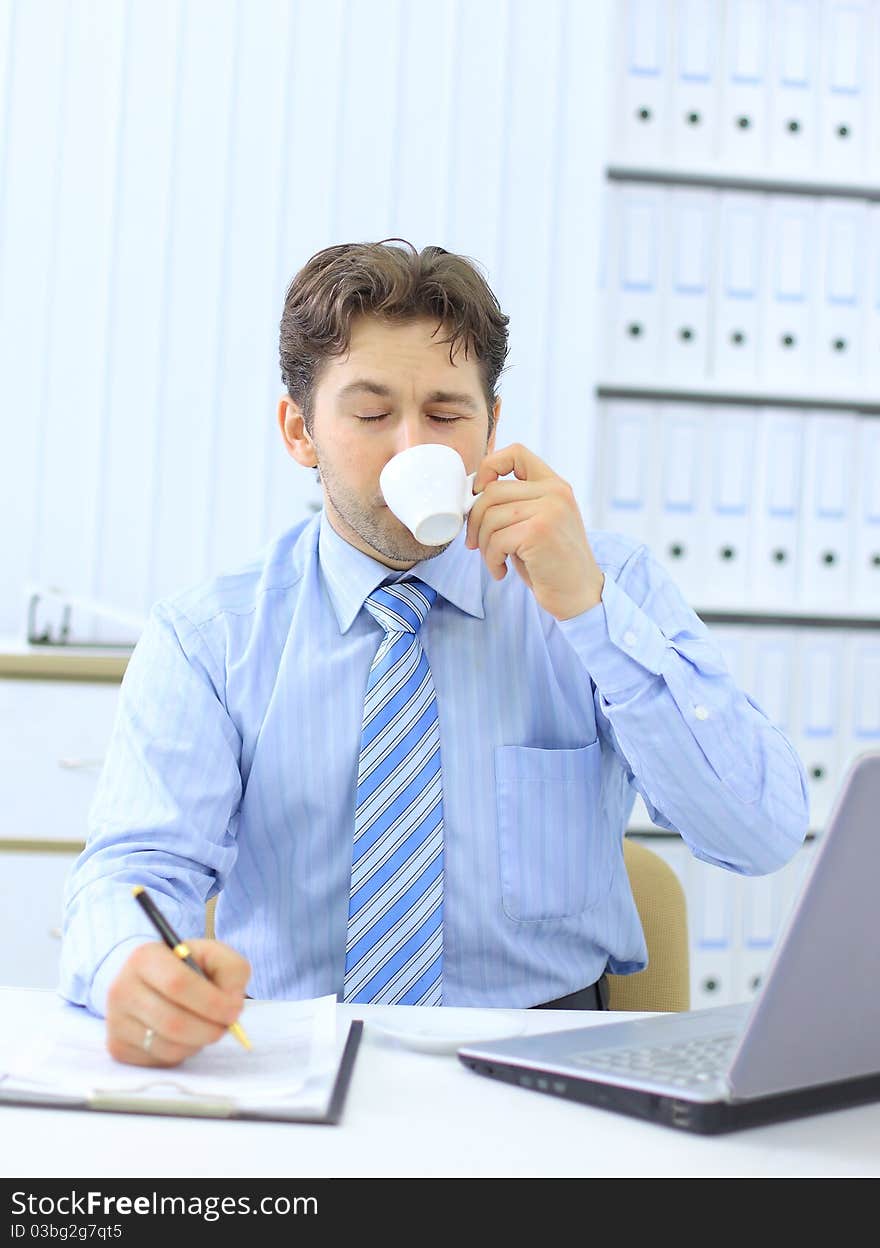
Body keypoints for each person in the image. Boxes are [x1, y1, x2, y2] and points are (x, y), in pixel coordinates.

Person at [59, 238, 810, 1068]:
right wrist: (130, 967)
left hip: (550, 1064)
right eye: (373, 414)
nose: (414, 447)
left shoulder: (608, 584)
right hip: (292, 1059)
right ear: (300, 432)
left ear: (493, 426)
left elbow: (760, 833)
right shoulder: (210, 638)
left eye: (448, 415)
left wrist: (590, 614)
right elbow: (131, 871)